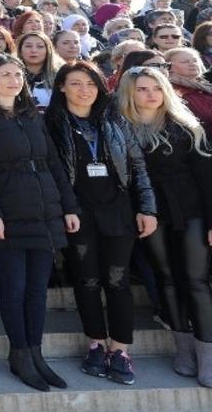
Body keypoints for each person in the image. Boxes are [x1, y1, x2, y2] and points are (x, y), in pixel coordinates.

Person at [0, 54, 80, 392]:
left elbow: (53, 163)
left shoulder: (32, 116)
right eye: (6, 74)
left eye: (18, 74)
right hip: (6, 215)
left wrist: (69, 207)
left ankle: (36, 353)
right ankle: (20, 354)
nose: (13, 80)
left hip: (43, 212)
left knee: (37, 290)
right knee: (14, 288)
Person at [44, 61, 157, 385]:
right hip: (78, 213)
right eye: (76, 83)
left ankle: (119, 349)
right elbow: (53, 173)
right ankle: (95, 342)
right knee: (87, 280)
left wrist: (147, 208)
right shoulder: (51, 123)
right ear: (62, 87)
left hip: (118, 211)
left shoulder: (114, 120)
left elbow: (138, 168)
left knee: (117, 281)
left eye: (91, 83)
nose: (84, 90)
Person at [117, 65, 212, 387]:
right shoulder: (121, 128)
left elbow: (206, 177)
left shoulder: (186, 126)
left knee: (196, 280)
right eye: (142, 89)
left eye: (156, 87)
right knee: (167, 279)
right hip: (148, 211)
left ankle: (207, 355)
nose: (151, 94)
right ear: (130, 93)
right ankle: (183, 349)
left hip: (192, 209)